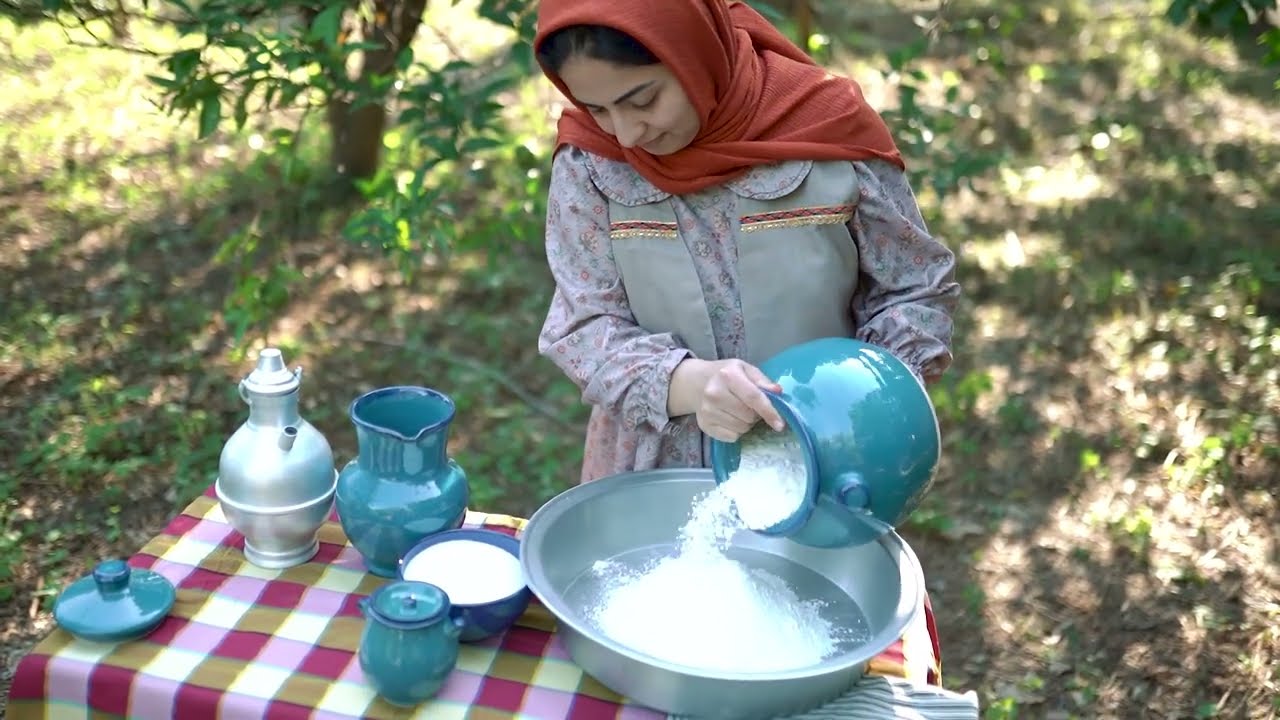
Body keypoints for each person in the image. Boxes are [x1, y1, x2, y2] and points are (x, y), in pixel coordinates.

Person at [532, 0, 961, 486]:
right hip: (656, 467)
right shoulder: (591, 162)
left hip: (832, 452)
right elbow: (584, 326)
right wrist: (693, 385)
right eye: (597, 109)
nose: (626, 134)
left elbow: (913, 288)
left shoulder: (826, 132)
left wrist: (864, 403)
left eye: (643, 100)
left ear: (694, 53)